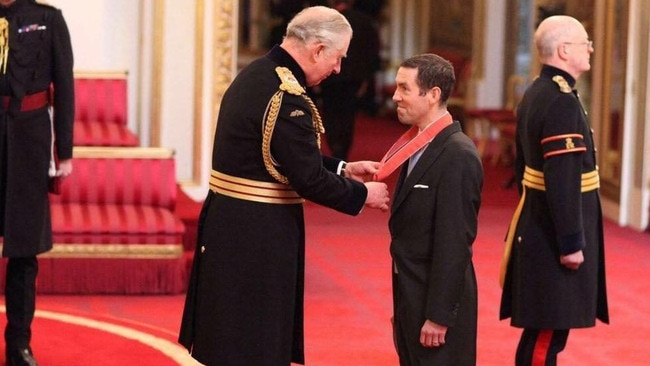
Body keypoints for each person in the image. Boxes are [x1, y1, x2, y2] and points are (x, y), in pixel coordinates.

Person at [178, 6, 390, 366]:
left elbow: (284, 154)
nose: (338, 68)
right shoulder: (286, 95)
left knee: (230, 333)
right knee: (255, 340)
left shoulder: (260, 75)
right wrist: (363, 195)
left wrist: (342, 167)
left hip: (233, 225)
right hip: (258, 235)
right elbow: (307, 179)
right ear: (318, 49)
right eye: (337, 58)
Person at [499, 15, 609, 365]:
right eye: (584, 42)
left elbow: (523, 170)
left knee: (543, 333)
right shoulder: (559, 100)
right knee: (547, 335)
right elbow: (562, 178)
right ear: (564, 50)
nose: (590, 48)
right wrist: (571, 243)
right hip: (552, 233)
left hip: (537, 222)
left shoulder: (538, 91)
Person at [375, 54, 483, 365]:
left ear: (433, 94)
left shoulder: (457, 155)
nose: (395, 96)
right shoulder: (420, 144)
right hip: (411, 296)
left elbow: (454, 242)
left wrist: (439, 315)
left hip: (435, 308)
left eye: (404, 88)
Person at [0, 0, 74, 365]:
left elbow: (64, 84)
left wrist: (65, 149)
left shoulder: (48, 18)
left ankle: (19, 344)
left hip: (30, 141)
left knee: (24, 249)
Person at [314, 0, 380, 160]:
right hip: (354, 78)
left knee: (330, 112)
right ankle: (342, 149)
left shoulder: (325, 22)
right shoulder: (365, 21)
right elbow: (372, 51)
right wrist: (366, 79)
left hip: (329, 76)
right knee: (348, 114)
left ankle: (334, 144)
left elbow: (317, 48)